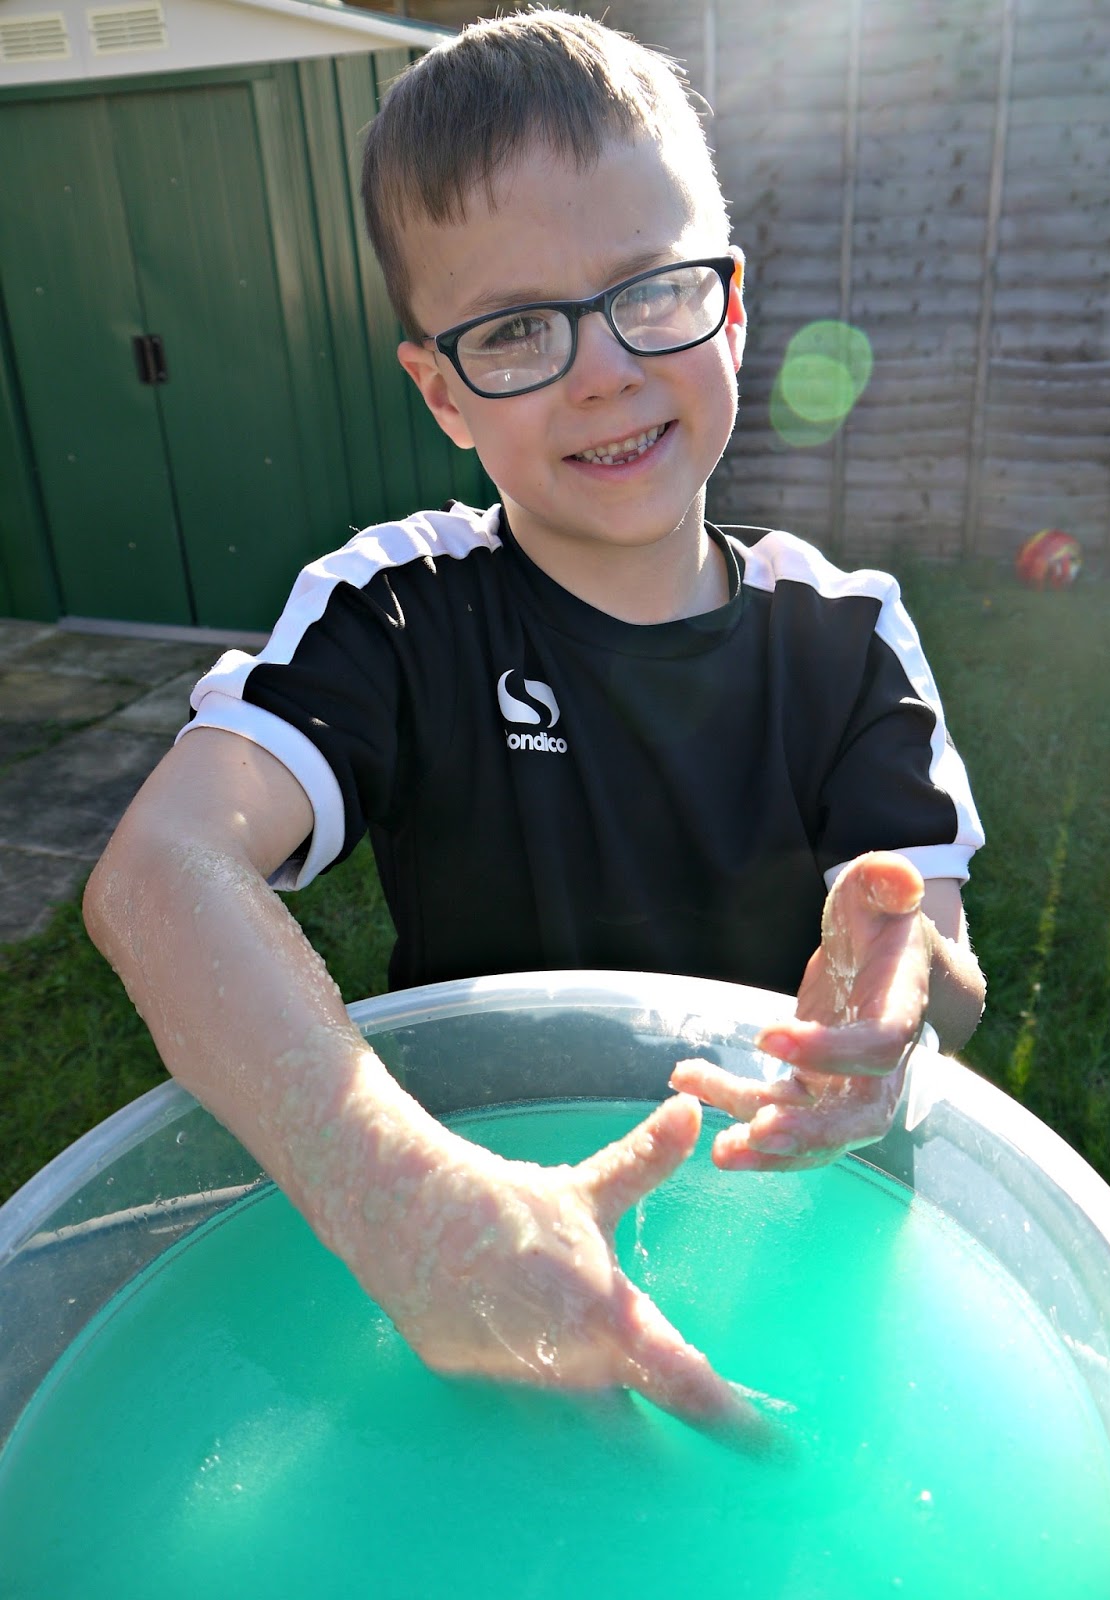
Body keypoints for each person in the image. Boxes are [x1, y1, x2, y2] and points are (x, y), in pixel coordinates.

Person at [83, 9, 985, 1431]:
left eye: (652, 291)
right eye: (516, 331)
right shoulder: (397, 609)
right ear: (442, 391)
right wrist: (408, 1204)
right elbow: (159, 875)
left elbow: (929, 942)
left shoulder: (846, 630)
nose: (607, 370)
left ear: (731, 304)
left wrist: (883, 1013)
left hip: (776, 1227)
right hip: (474, 1249)